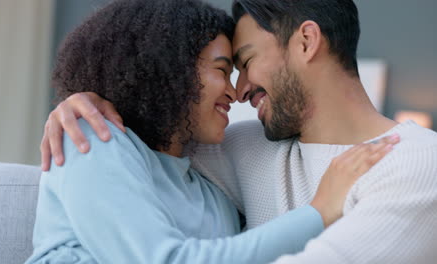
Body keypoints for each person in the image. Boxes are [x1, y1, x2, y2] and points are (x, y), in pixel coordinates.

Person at [40, 0, 437, 263]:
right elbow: (151, 138)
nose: (239, 90)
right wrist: (84, 103)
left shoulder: (415, 160)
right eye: (226, 70)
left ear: (306, 42)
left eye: (245, 62)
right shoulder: (235, 145)